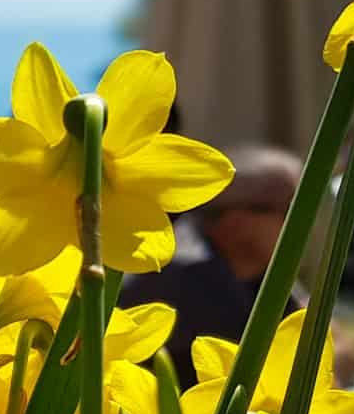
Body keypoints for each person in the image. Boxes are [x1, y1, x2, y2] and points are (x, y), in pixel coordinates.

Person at [116, 144, 303, 387]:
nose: (306, 223)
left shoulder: (249, 268)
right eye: (291, 210)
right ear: (237, 221)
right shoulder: (186, 278)